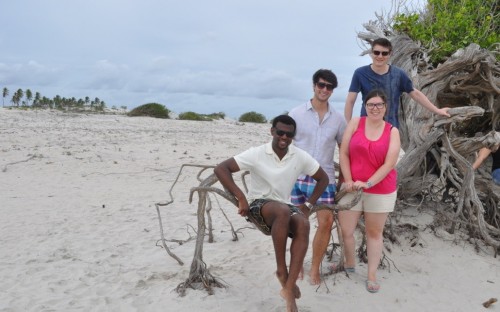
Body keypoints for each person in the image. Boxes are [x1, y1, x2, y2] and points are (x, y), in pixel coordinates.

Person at [214, 114, 329, 312]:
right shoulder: (257, 153)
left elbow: (323, 179)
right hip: (259, 204)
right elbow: (221, 168)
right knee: (283, 210)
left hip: (284, 205)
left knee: (303, 223)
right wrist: (241, 196)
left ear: (293, 136)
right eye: (280, 133)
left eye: (289, 134)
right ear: (272, 131)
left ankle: (289, 286)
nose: (284, 137)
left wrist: (309, 205)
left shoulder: (299, 155)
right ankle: (281, 270)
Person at [337, 89, 401, 293]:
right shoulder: (356, 123)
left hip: (380, 189)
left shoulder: (392, 131)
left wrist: (369, 183)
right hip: (351, 187)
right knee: (346, 230)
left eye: (379, 105)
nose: (375, 108)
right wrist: (348, 180)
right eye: (370, 104)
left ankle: (372, 274)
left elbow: (390, 163)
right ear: (365, 106)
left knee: (374, 233)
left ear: (385, 107)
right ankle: (349, 263)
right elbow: (344, 152)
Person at [288, 69, 346, 285]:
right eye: (321, 85)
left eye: (329, 87)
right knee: (297, 225)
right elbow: (283, 141)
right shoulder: (296, 113)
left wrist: (343, 179)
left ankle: (314, 268)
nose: (324, 89)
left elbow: (343, 149)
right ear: (313, 85)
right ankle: (297, 265)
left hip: (325, 179)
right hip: (297, 178)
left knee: (326, 222)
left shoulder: (338, 119)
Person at [344, 37, 450, 128]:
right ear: (371, 53)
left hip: (390, 127)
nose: (380, 56)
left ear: (390, 54)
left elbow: (415, 94)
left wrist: (437, 110)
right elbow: (350, 101)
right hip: (366, 127)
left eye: (384, 53)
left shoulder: (398, 74)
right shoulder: (360, 73)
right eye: (376, 52)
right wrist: (348, 125)